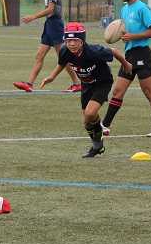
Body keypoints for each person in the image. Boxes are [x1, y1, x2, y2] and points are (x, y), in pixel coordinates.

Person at [41, 22, 132, 158]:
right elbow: (62, 63)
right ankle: (97, 147)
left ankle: (99, 128)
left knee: (90, 113)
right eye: (69, 41)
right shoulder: (65, 51)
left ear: (82, 41)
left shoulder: (94, 52)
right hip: (86, 85)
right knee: (87, 121)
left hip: (102, 82)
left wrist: (126, 64)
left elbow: (113, 51)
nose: (72, 44)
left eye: (75, 40)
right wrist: (52, 77)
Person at [100, 0, 151, 137]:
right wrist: (122, 35)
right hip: (129, 54)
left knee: (149, 92)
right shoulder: (124, 9)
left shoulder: (142, 8)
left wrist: (133, 36)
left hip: (142, 54)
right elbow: (127, 30)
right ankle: (105, 125)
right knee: (118, 91)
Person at [13, 0, 80, 93]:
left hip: (55, 25)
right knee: (39, 55)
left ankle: (77, 83)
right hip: (49, 24)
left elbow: (50, 9)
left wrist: (33, 17)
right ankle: (29, 84)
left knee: (63, 57)